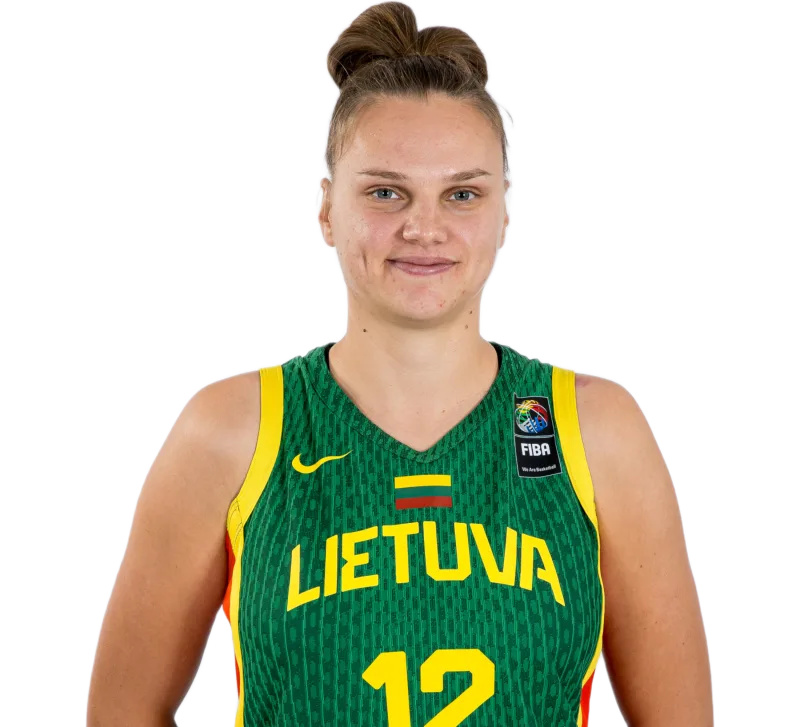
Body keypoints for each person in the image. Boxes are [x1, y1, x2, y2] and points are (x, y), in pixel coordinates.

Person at [87, 2, 713, 725]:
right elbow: (121, 713)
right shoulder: (231, 432)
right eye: (386, 192)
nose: (424, 227)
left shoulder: (594, 432)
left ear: (504, 213)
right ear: (328, 210)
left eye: (462, 193)